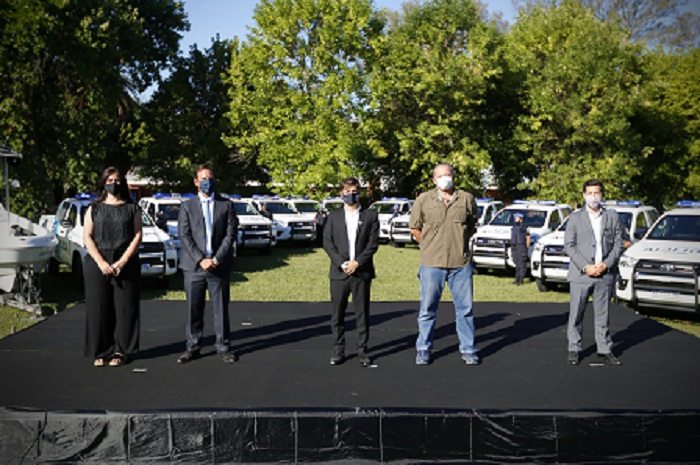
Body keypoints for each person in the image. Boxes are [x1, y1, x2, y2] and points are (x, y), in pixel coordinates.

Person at [409, 163, 480, 365]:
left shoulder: (466, 198)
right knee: (427, 309)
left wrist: (459, 243)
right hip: (431, 263)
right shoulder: (423, 200)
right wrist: (429, 245)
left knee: (465, 309)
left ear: (454, 176)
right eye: (440, 176)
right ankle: (423, 348)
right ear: (433, 180)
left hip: (460, 262)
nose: (444, 178)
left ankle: (468, 349)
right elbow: (415, 228)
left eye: (447, 175)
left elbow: (472, 226)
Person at [177, 164, 238, 364]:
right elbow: (184, 236)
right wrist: (200, 259)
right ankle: (193, 346)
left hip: (218, 265)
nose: (207, 182)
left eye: (210, 178)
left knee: (220, 309)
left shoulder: (226, 205)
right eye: (203, 178)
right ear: (196, 182)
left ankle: (223, 346)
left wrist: (216, 259)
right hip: (194, 267)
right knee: (193, 309)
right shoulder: (187, 206)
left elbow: (230, 235)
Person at [83, 167, 142, 367]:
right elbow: (87, 237)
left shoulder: (132, 208)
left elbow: (137, 236)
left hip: (125, 261)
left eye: (117, 180)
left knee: (125, 309)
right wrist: (100, 262)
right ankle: (101, 351)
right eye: (109, 179)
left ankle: (121, 351)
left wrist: (121, 262)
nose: (113, 183)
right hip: (97, 262)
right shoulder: (94, 208)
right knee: (98, 308)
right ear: (103, 182)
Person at [564, 179, 624, 366]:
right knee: (576, 314)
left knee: (602, 315)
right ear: (584, 195)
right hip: (581, 275)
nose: (593, 196)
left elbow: (618, 244)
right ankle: (574, 349)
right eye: (589, 193)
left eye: (596, 193)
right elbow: (569, 245)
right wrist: (586, 266)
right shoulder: (575, 218)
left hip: (604, 274)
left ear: (602, 194)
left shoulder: (612, 217)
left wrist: (605, 265)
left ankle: (604, 349)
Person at [322, 177, 380, 366]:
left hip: (361, 272)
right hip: (339, 273)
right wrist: (342, 263)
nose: (351, 194)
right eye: (347, 191)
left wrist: (357, 263)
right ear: (341, 193)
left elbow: (372, 244)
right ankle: (339, 350)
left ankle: (362, 351)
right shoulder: (334, 216)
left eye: (354, 191)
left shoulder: (370, 216)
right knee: (337, 314)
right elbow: (327, 243)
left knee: (362, 313)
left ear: (359, 192)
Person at [510, 212, 530, 285]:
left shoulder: (525, 227)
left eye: (516, 218)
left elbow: (528, 238)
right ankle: (517, 278)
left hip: (521, 246)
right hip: (514, 246)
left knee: (522, 264)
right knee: (517, 263)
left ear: (521, 219)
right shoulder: (514, 226)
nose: (515, 219)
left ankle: (521, 280)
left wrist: (526, 248)